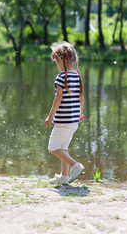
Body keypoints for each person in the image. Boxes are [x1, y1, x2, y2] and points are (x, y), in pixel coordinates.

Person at [44, 41, 85, 185]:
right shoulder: (78, 77)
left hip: (62, 122)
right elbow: (81, 98)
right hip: (73, 122)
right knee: (63, 148)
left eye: (56, 61)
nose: (56, 64)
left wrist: (50, 117)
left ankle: (75, 165)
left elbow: (58, 98)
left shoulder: (60, 78)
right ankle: (64, 176)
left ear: (60, 60)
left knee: (53, 148)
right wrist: (80, 114)